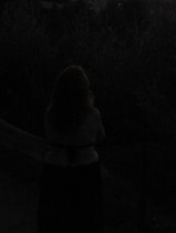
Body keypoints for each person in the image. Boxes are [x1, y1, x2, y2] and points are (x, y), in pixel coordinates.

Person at [38, 65, 105, 233]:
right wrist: (91, 106)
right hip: (87, 171)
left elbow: (49, 137)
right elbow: (100, 137)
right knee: (85, 219)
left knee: (55, 218)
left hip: (55, 169)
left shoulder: (50, 113)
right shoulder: (93, 115)